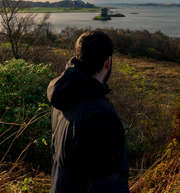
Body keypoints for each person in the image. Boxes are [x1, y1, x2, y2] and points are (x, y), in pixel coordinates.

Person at [47, 30, 129, 193]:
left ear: (78, 57)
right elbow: (108, 186)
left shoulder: (63, 97)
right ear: (108, 62)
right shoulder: (99, 115)